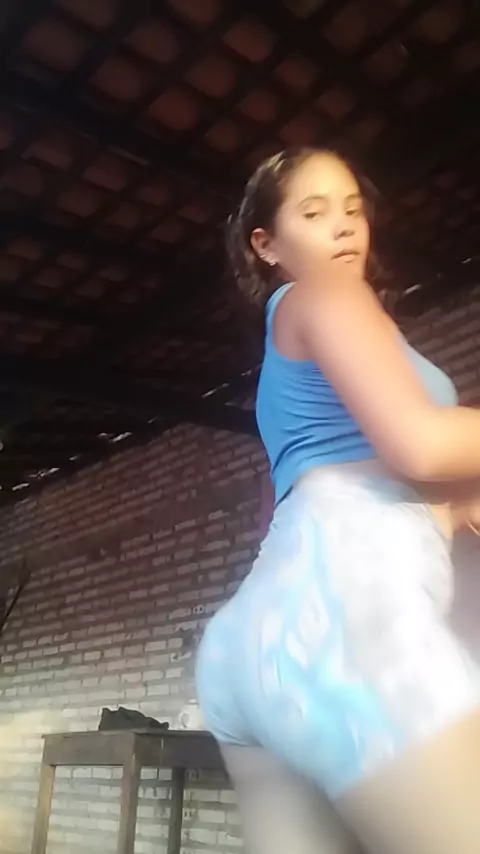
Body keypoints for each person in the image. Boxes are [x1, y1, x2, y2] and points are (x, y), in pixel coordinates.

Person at [195, 147, 480, 854]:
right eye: (315, 212)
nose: (345, 226)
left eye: (354, 210)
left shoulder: (298, 357)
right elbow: (419, 445)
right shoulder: (325, 293)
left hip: (258, 642)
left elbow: (400, 483)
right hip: (344, 621)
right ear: (266, 245)